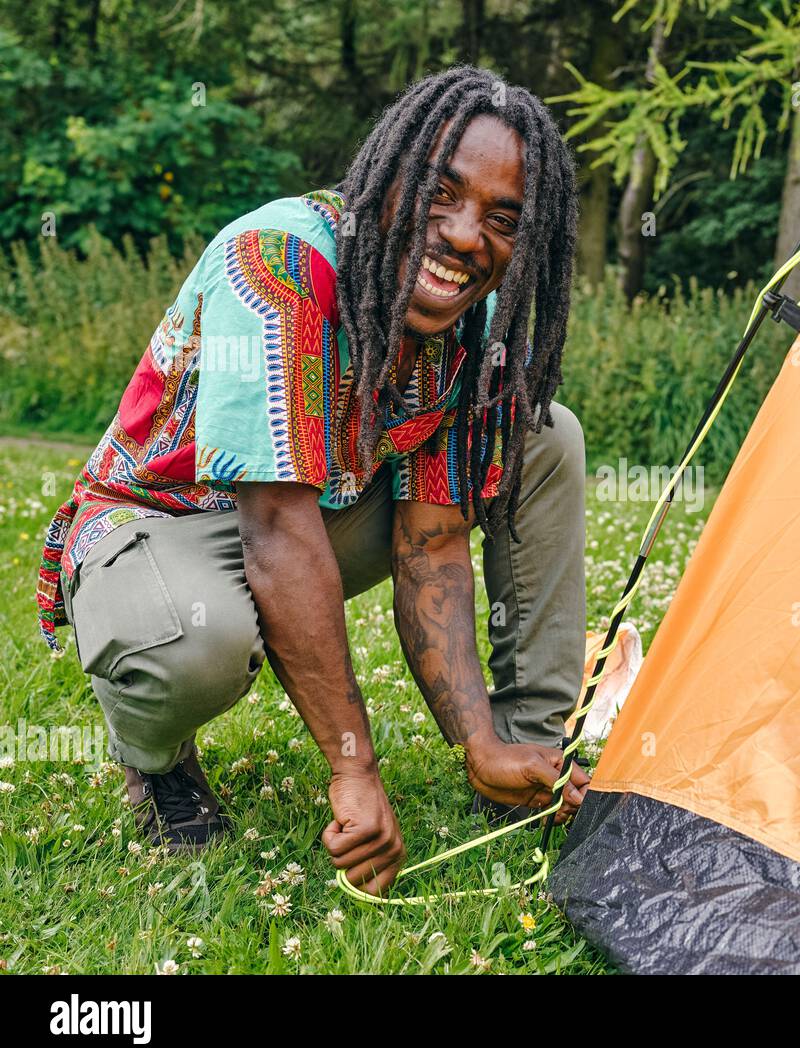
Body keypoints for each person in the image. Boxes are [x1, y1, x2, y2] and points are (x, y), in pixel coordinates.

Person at [34, 66, 590, 897]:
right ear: (390, 172)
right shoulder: (280, 266)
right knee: (196, 643)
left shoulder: (467, 328)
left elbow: (431, 541)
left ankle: (522, 758)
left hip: (309, 517)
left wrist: (476, 738)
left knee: (544, 435)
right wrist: (354, 767)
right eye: (442, 193)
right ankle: (154, 760)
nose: (468, 236)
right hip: (160, 521)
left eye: (502, 219)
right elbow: (276, 531)